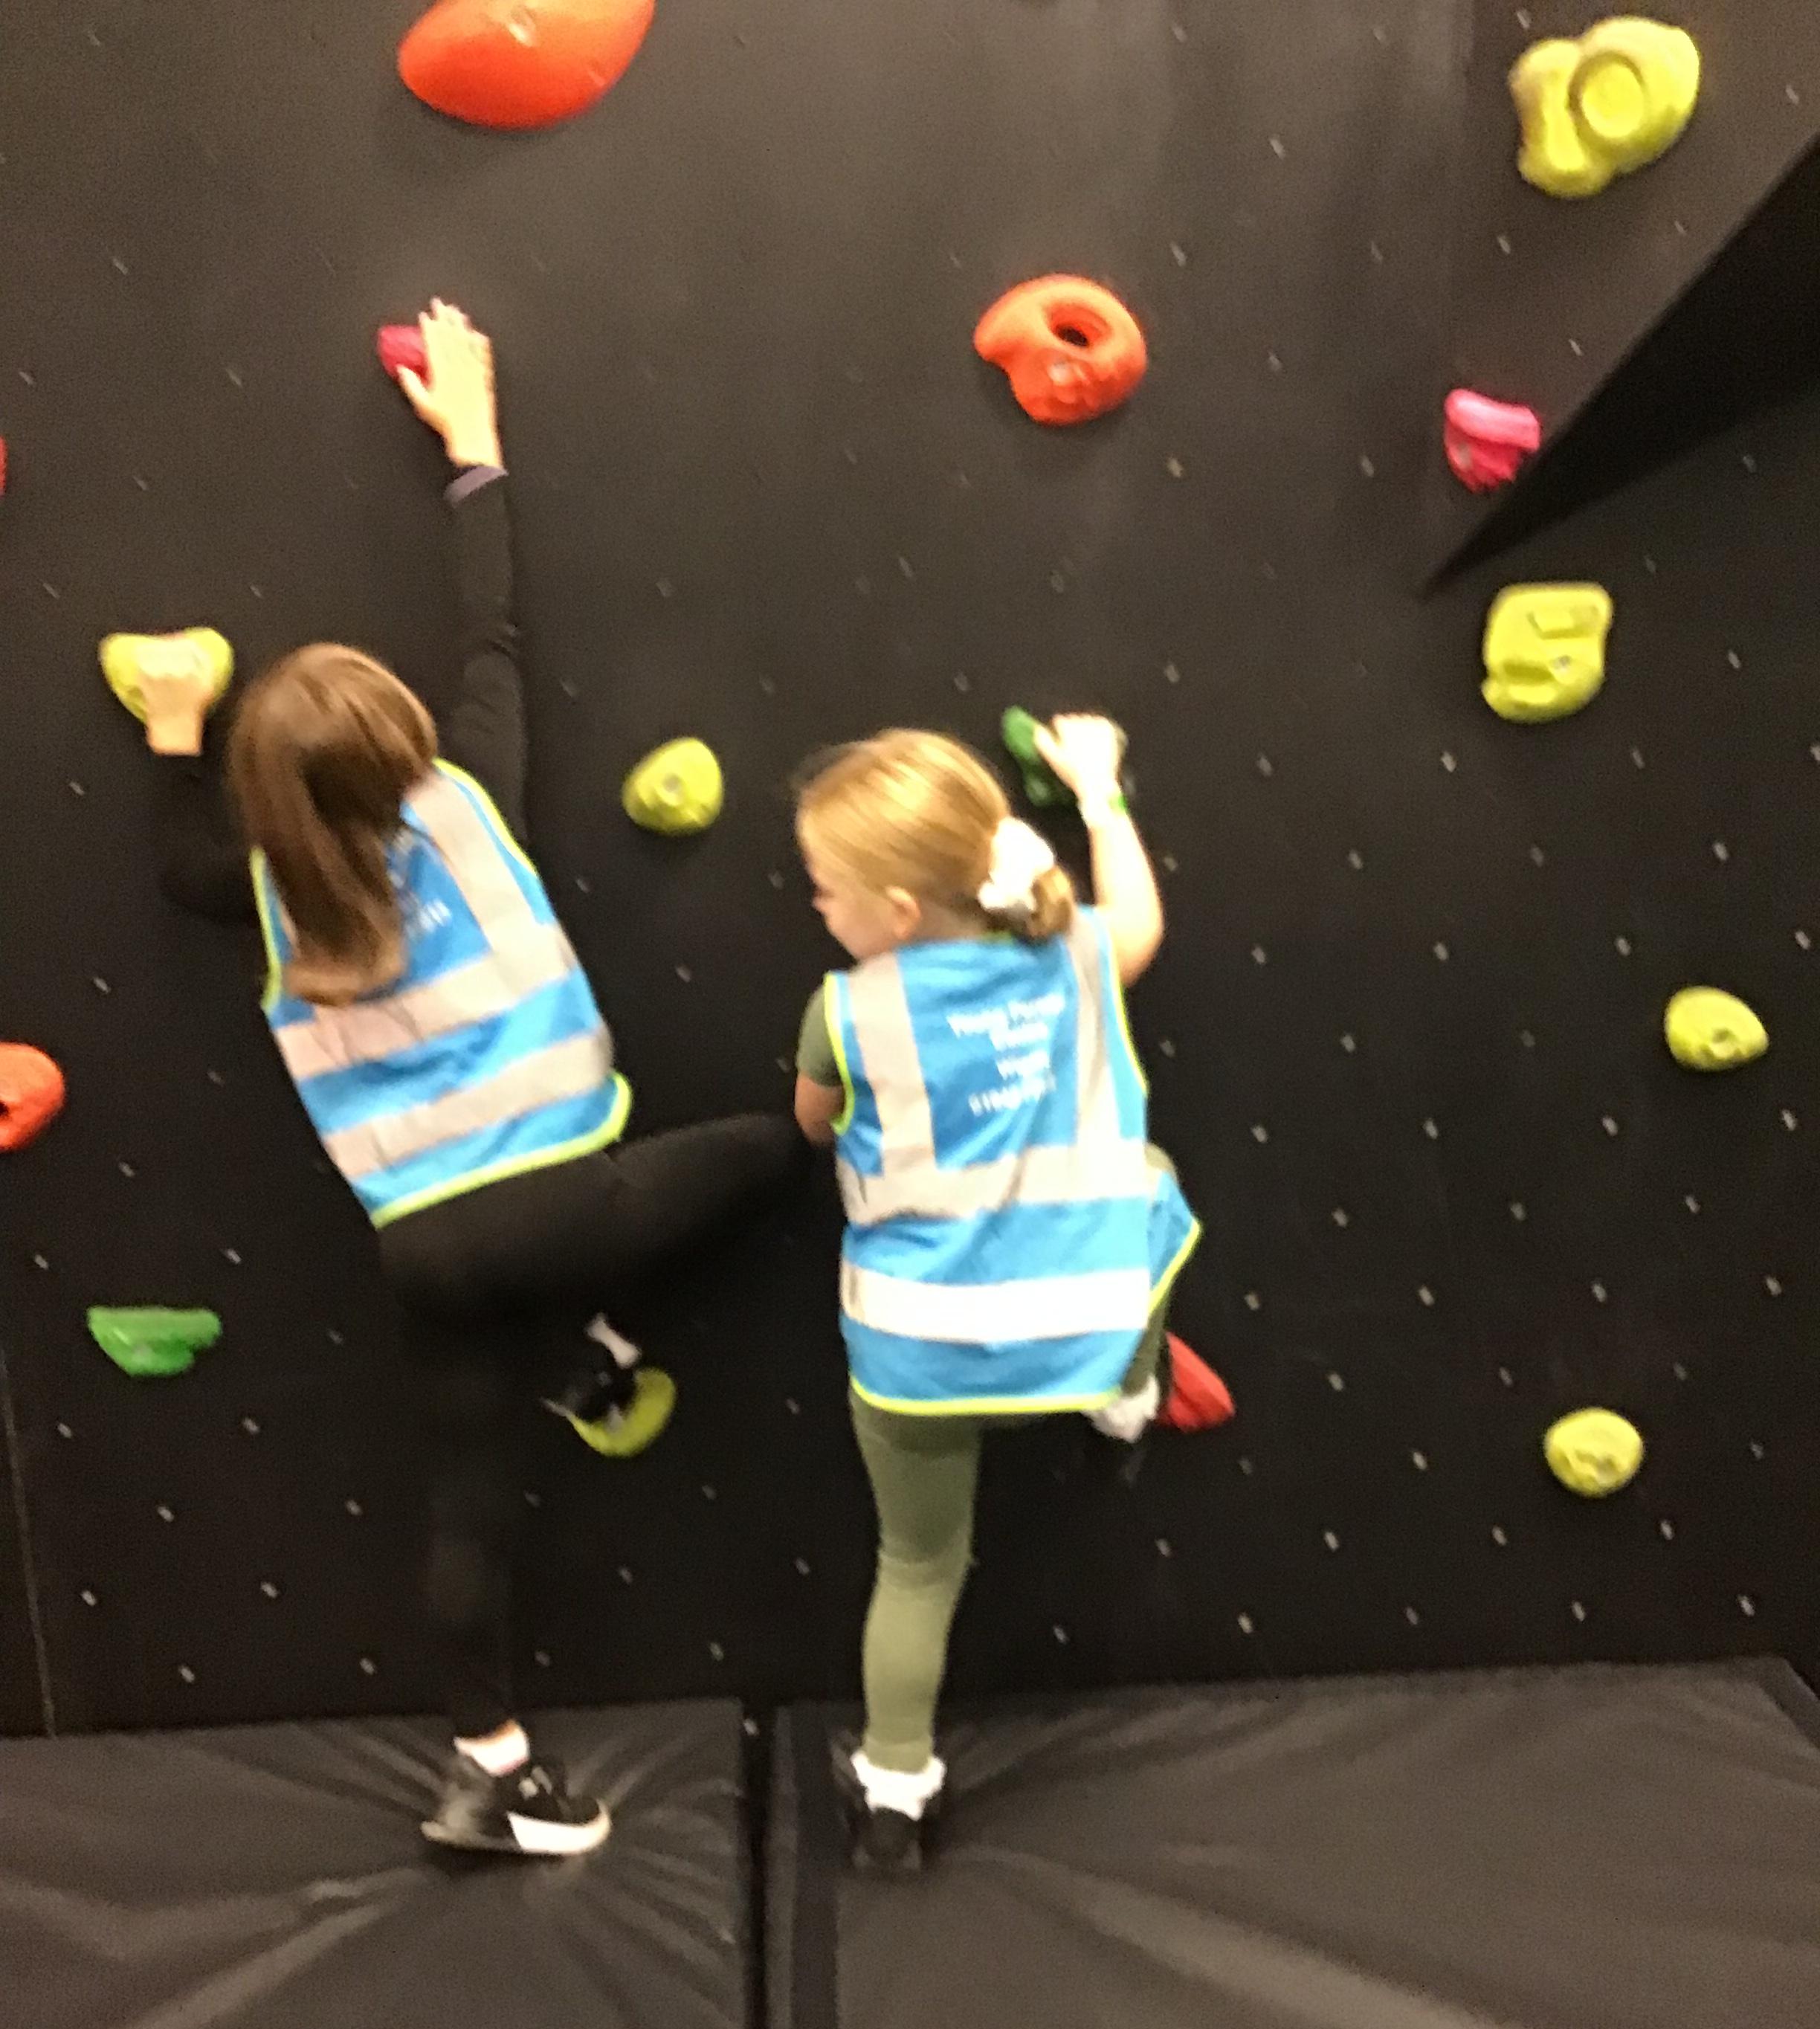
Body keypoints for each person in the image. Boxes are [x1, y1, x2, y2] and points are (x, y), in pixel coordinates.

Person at [121, 301, 801, 1857]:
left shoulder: (265, 892)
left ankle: (487, 1768)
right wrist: (476, 444)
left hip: (424, 1243)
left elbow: (173, 867)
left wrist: (169, 731)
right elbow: (492, 634)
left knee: (468, 1504)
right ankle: (596, 1342)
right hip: (572, 1201)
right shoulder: (470, 797)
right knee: (779, 1148)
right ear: (405, 743)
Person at [793, 717, 1233, 1871]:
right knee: (1151, 1181)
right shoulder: (1076, 952)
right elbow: (1141, 921)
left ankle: (895, 1790)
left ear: (897, 913)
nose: (816, 907)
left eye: (825, 889)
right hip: (1077, 1324)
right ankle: (1127, 1395)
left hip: (919, 1360)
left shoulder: (845, 1010)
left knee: (918, 1567)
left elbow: (813, 1124)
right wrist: (1099, 792)